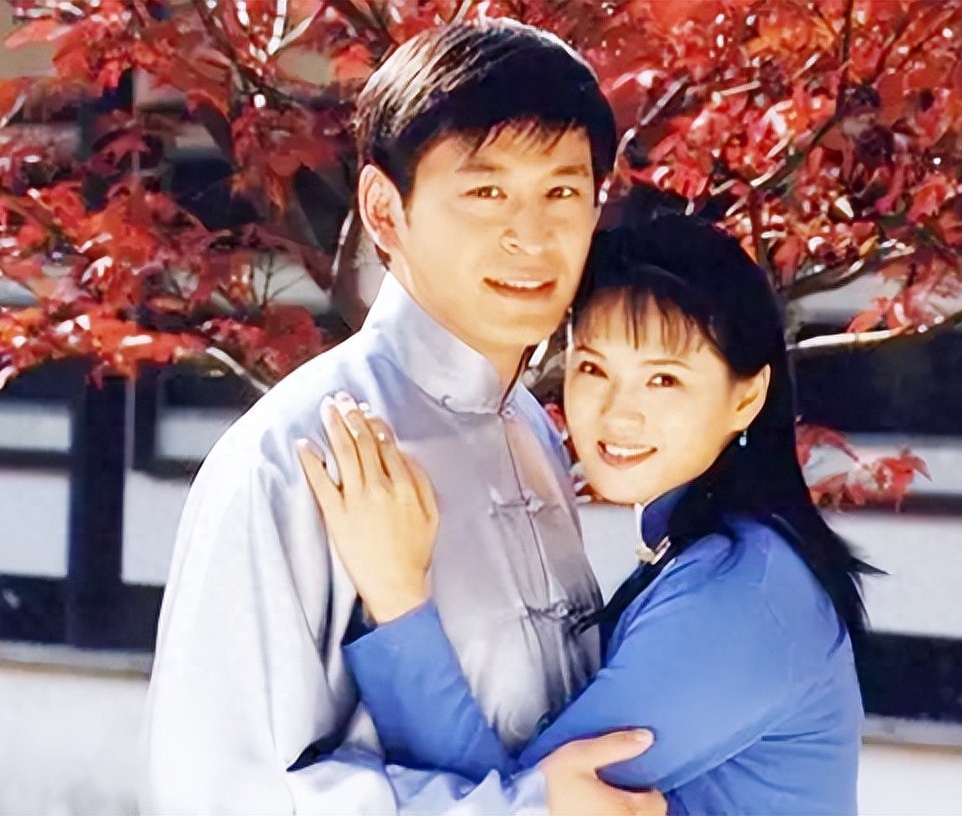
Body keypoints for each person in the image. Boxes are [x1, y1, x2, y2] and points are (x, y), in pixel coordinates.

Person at [140, 20, 667, 816]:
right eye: (486, 192)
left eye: (562, 191)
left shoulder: (532, 426)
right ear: (385, 212)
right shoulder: (294, 455)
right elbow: (218, 793)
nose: (532, 236)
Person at [300, 214, 871, 815]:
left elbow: (517, 804)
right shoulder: (709, 554)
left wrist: (396, 598)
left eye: (664, 379)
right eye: (594, 368)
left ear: (746, 397)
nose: (618, 413)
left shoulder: (742, 596)